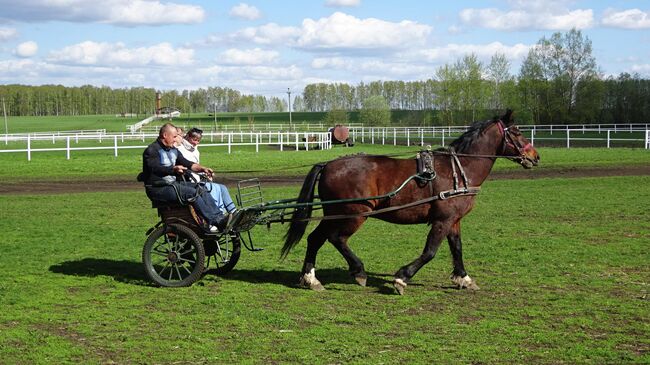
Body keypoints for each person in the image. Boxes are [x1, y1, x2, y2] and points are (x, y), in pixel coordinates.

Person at [138, 123, 229, 232]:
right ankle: (213, 220)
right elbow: (155, 168)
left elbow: (188, 164)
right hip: (158, 189)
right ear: (165, 135)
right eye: (174, 136)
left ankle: (219, 218)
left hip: (172, 185)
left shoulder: (173, 150)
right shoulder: (152, 150)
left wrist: (202, 169)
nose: (177, 139)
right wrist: (173, 170)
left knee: (201, 187)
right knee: (191, 193)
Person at [177, 127, 237, 214]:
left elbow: (196, 166)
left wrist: (204, 174)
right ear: (188, 137)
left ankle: (233, 212)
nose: (196, 143)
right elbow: (189, 167)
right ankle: (219, 214)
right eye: (195, 140)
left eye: (198, 140)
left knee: (222, 187)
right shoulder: (180, 149)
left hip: (197, 179)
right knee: (213, 188)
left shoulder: (195, 150)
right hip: (189, 182)